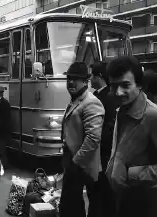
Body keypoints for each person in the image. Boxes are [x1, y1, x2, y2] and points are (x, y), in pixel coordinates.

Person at [106, 56, 157, 217]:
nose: (118, 92)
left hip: (145, 202)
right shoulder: (122, 110)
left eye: (125, 85)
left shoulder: (156, 116)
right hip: (122, 196)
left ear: (139, 84)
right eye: (114, 86)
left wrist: (130, 174)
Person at [59, 62, 104, 217]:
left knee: (71, 206)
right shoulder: (75, 99)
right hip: (72, 163)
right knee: (70, 204)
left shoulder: (91, 102)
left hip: (81, 165)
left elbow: (93, 138)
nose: (71, 82)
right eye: (69, 78)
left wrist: (75, 163)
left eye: (76, 79)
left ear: (85, 81)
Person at [90, 62, 117, 217]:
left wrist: (95, 137)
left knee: (102, 195)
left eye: (92, 75)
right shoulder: (98, 95)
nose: (90, 79)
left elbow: (109, 126)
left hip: (103, 153)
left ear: (99, 77)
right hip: (98, 153)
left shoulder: (109, 96)